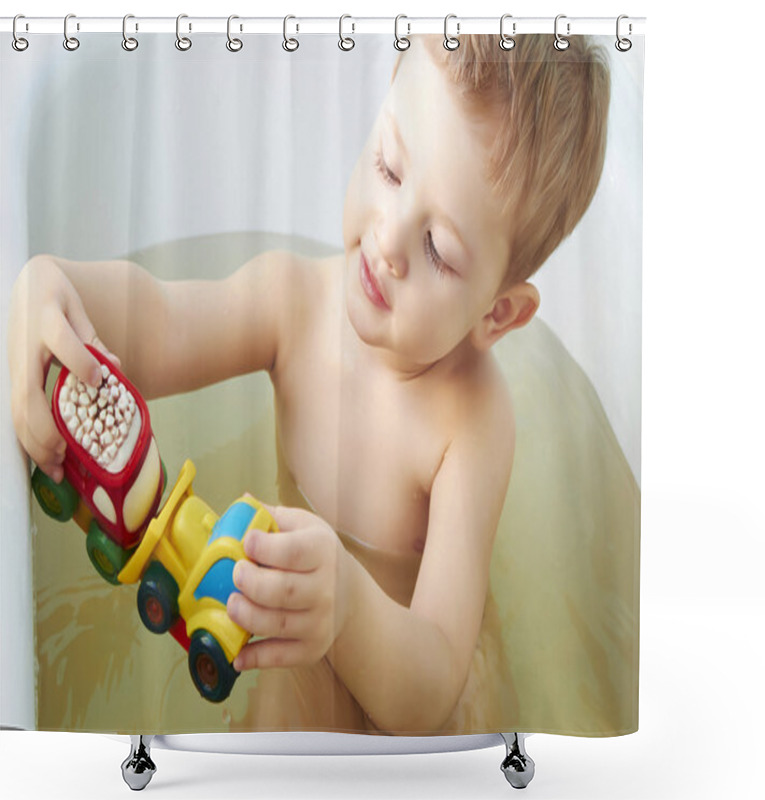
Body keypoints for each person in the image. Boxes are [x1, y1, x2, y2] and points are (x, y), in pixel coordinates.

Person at [7, 35, 610, 734]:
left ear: (498, 314)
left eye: (439, 250)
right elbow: (155, 319)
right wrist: (46, 287)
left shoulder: (471, 425)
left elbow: (433, 683)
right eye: (389, 166)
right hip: (292, 638)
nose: (386, 241)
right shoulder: (292, 305)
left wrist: (349, 605)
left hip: (408, 681)